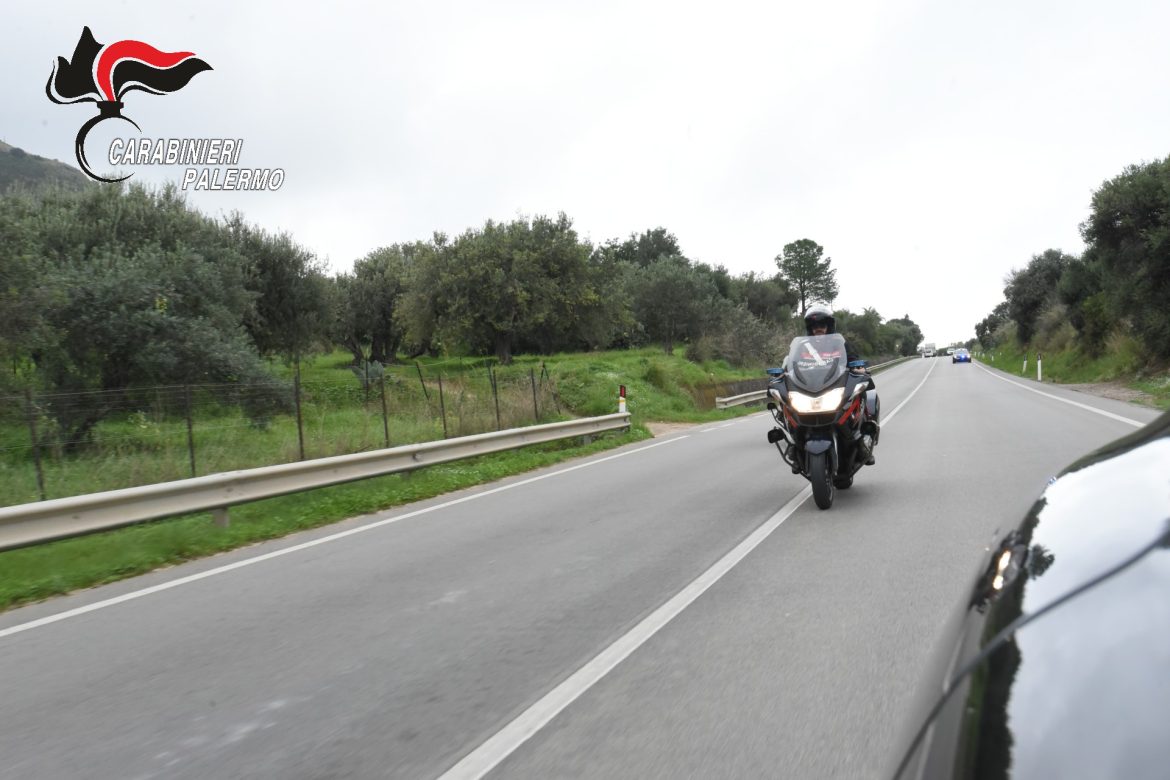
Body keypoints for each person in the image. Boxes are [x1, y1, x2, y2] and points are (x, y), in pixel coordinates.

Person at [802, 304, 878, 464]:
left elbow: (852, 359)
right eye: (814, 325)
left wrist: (858, 368)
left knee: (861, 390)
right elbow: (792, 365)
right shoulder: (803, 346)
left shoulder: (840, 344)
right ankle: (795, 442)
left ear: (829, 326)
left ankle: (865, 437)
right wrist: (784, 373)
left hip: (836, 385)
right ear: (810, 328)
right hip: (811, 388)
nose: (818, 328)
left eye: (822, 324)